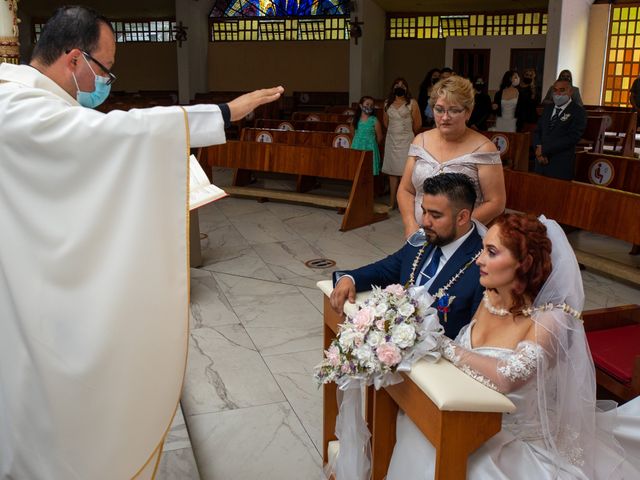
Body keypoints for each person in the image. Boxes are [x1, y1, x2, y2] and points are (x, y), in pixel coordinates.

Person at [0, 6, 283, 479]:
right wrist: (226, 112)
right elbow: (114, 132)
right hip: (29, 291)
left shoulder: (23, 96)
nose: (108, 80)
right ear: (74, 60)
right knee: (40, 403)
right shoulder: (20, 106)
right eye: (105, 69)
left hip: (29, 268)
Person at [386, 213, 640, 479]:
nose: (480, 260)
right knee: (416, 428)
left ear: (525, 262)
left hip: (516, 443)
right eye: (483, 249)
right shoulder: (491, 299)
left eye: (492, 252)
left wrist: (443, 346)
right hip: (469, 419)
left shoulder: (551, 319)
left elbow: (508, 377)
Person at [330, 173, 484, 339]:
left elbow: (476, 335)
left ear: (462, 217)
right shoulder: (423, 238)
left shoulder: (483, 264)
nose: (425, 222)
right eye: (424, 212)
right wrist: (350, 278)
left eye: (435, 215)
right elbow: (386, 269)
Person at [397, 76, 505, 239]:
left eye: (454, 110)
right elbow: (406, 190)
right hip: (419, 233)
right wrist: (410, 224)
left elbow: (496, 203)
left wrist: (453, 229)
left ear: (468, 112)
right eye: (439, 109)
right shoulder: (421, 140)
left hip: (462, 236)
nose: (445, 117)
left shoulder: (484, 148)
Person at [533, 79, 587, 180]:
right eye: (555, 90)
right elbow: (537, 131)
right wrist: (538, 150)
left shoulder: (578, 112)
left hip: (560, 164)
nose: (558, 93)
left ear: (570, 92)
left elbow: (572, 137)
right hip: (540, 162)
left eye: (562, 90)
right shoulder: (548, 109)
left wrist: (544, 149)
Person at [382, 77, 422, 209]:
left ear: (406, 88)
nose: (400, 87)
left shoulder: (412, 103)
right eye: (397, 85)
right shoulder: (387, 103)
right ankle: (392, 201)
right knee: (392, 172)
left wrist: (406, 133)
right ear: (393, 88)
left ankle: (404, 202)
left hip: (406, 141)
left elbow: (417, 124)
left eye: (402, 85)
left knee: (405, 172)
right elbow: (386, 122)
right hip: (392, 140)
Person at [351, 95, 383, 175]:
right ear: (361, 105)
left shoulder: (374, 120)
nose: (369, 106)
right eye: (367, 104)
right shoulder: (355, 120)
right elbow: (353, 133)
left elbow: (379, 137)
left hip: (370, 148)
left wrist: (372, 143)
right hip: (357, 147)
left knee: (368, 172)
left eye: (371, 105)